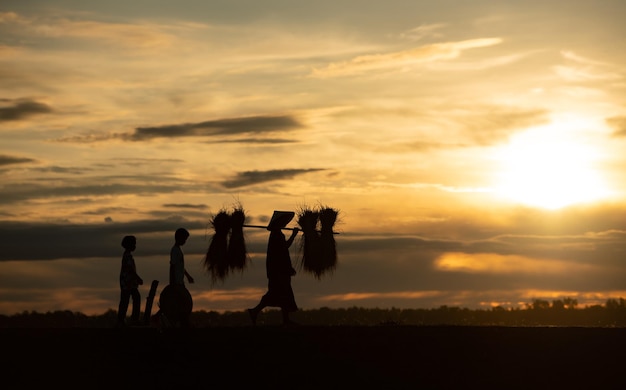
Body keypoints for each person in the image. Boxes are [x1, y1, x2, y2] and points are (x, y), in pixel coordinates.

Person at [248, 211, 300, 326]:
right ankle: (255, 311)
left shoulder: (277, 234)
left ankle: (284, 319)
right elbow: (283, 249)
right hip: (278, 271)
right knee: (279, 293)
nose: (285, 223)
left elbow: (282, 250)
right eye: (283, 221)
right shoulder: (277, 234)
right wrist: (294, 235)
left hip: (278, 270)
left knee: (283, 294)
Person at [156, 227, 194, 328]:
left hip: (180, 281)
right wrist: (172, 283)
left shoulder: (178, 250)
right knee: (181, 303)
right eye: (184, 239)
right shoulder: (174, 250)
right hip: (176, 282)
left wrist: (188, 276)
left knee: (183, 302)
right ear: (179, 238)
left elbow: (180, 267)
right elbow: (172, 266)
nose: (185, 241)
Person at [117, 235, 143, 327]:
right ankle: (131, 319)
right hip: (127, 283)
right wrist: (138, 278)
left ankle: (125, 319)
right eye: (134, 244)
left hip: (129, 282)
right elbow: (130, 270)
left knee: (128, 300)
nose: (135, 246)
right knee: (129, 299)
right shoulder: (127, 256)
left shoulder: (127, 255)